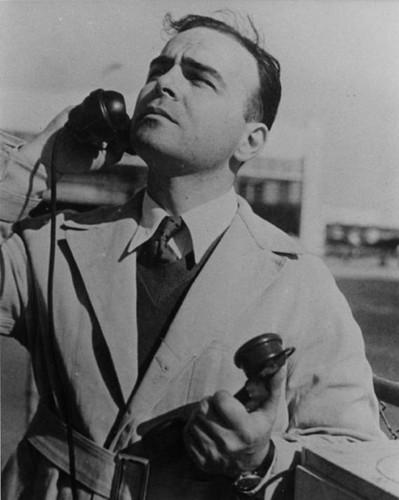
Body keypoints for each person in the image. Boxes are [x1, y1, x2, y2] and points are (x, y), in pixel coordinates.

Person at [0, 13, 384, 500]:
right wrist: (26, 175)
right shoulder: (51, 244)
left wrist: (261, 460)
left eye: (198, 78)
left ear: (251, 140)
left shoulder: (301, 281)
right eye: (158, 69)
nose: (163, 83)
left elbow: (351, 447)